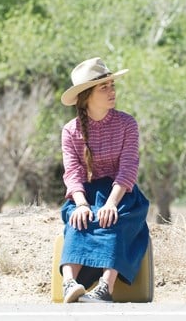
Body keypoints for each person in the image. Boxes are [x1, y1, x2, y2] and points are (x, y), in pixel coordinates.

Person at [58, 57, 150, 303]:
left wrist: (111, 203)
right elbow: (72, 172)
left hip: (121, 194)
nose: (112, 91)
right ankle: (69, 284)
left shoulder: (127, 124)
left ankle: (104, 288)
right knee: (78, 220)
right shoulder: (70, 130)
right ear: (87, 95)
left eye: (112, 85)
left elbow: (128, 168)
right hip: (85, 195)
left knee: (114, 219)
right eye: (104, 87)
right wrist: (80, 203)